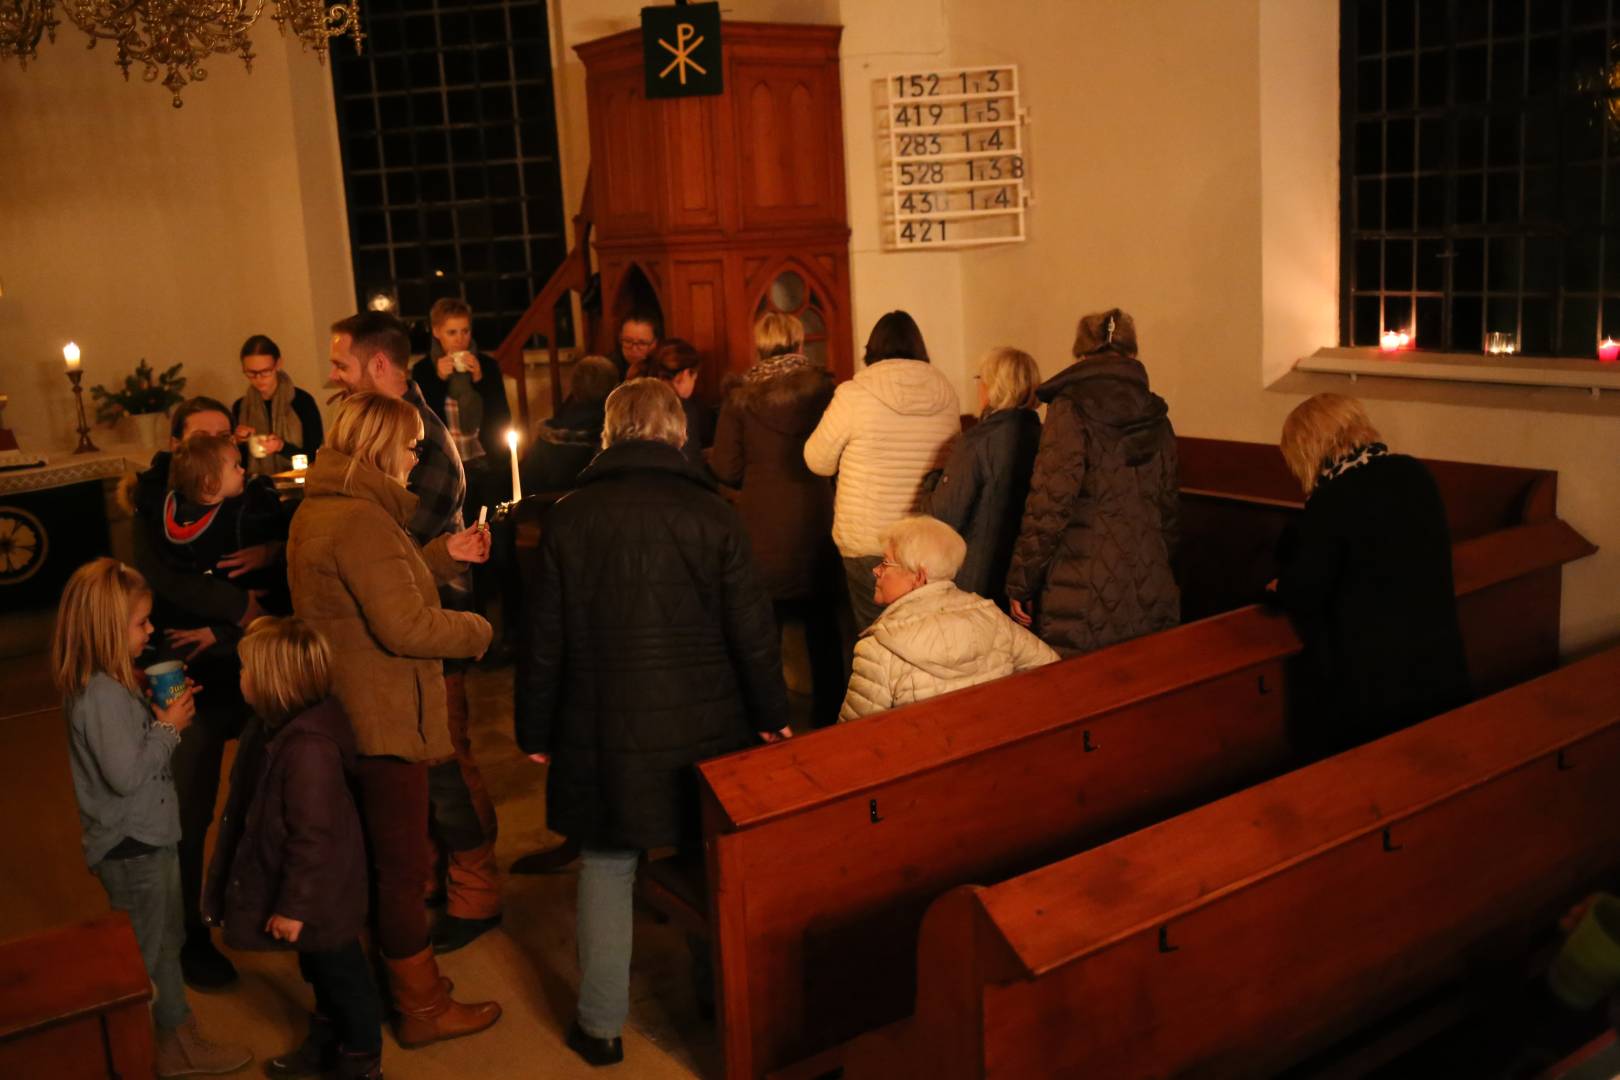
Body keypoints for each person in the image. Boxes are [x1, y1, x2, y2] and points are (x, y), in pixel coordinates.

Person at [516, 378, 790, 1068]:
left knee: (607, 863)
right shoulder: (714, 514)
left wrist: (536, 730)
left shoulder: (572, 517)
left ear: (610, 436)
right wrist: (772, 716)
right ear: (676, 435)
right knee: (707, 856)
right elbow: (752, 633)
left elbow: (542, 639)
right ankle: (714, 995)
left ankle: (600, 1025)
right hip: (708, 723)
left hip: (602, 720)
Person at [287, 391, 502, 1047]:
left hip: (346, 713)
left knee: (371, 865)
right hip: (384, 722)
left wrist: (442, 557)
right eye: (411, 445)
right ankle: (422, 1008)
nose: (417, 457)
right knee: (402, 871)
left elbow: (370, 587)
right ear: (381, 446)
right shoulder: (361, 522)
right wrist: (481, 630)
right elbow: (404, 623)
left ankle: (372, 998)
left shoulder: (327, 509)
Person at [327, 311, 504, 955]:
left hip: (432, 626)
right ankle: (430, 878)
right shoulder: (373, 431)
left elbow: (395, 551)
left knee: (445, 761)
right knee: (413, 764)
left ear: (379, 367)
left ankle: (476, 890)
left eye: (341, 363)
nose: (333, 375)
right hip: (396, 622)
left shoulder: (423, 440)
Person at [51, 558, 253, 1078]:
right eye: (141, 623)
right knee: (146, 955)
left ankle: (175, 1039)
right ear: (105, 630)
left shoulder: (109, 685)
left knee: (166, 944)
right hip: (131, 844)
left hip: (146, 837)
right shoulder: (98, 696)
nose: (151, 630)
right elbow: (126, 774)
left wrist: (155, 708)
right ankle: (141, 1050)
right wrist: (168, 728)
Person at [128, 395, 281, 991]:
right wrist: (239, 608)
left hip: (248, 662)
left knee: (272, 791)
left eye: (228, 437)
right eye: (205, 438)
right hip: (188, 668)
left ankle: (266, 907)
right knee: (186, 806)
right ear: (179, 448)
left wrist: (272, 554)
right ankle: (188, 931)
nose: (223, 446)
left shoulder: (249, 501)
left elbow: (283, 576)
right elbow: (165, 579)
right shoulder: (152, 500)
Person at [203, 616, 382, 1080]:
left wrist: (294, 908)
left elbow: (314, 839)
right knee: (320, 970)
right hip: (307, 890)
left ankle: (360, 1061)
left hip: (323, 895)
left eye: (245, 670)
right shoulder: (274, 728)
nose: (238, 677)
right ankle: (327, 1038)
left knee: (344, 975)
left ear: (272, 682)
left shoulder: (308, 751)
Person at [1268, 394, 1471, 757]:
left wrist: (1279, 586)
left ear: (1309, 448)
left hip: (1376, 682)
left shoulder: (1333, 500)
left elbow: (1307, 591)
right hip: (1438, 664)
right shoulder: (1414, 474)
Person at [1005, 309, 1180, 657]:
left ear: (1082, 355)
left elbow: (1049, 505)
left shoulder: (1070, 408)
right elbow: (1169, 511)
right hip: (1150, 580)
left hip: (1081, 583)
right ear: (1132, 354)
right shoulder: (1156, 413)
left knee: (1082, 693)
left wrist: (1021, 582)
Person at [709, 312, 842, 727]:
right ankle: (828, 717)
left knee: (763, 633)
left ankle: (768, 721)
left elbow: (727, 467)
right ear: (800, 345)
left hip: (761, 528)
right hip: (815, 522)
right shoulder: (825, 391)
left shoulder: (740, 398)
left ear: (760, 347)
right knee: (823, 630)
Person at [804, 310, 960, 632]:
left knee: (872, 637)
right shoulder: (945, 392)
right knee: (922, 635)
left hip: (868, 540)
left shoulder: (854, 395)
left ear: (872, 348)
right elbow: (952, 459)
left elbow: (817, 460)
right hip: (924, 543)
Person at [840, 517, 1059, 722]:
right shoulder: (992, 618)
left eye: (886, 563)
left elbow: (853, 739)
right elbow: (1052, 670)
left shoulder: (878, 651)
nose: (876, 570)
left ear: (918, 577)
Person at [411, 297, 519, 666]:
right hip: (448, 476)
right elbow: (425, 425)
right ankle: (470, 639)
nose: (459, 340)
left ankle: (508, 638)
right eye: (452, 332)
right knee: (462, 553)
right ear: (437, 333)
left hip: (484, 467)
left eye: (465, 331)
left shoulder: (485, 366)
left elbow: (501, 420)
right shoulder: (424, 372)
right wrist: (439, 383)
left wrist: (481, 382)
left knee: (498, 551)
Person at [921, 347, 1043, 607]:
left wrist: (933, 480)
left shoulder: (978, 442)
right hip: (1026, 580)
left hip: (979, 580)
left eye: (981, 380)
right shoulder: (1046, 437)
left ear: (992, 388)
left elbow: (943, 517)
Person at [520, 354, 619, 494]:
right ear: (614, 389)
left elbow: (529, 483)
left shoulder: (551, 432)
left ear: (574, 389)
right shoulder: (612, 432)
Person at [232, 334, 324, 476]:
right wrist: (238, 441)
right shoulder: (241, 407)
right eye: (251, 373)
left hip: (299, 484)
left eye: (265, 372)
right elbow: (238, 463)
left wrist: (282, 447)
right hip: (257, 485)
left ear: (278, 364)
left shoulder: (301, 401)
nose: (258, 379)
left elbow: (316, 454)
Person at [634, 338, 713, 463]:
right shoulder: (684, 409)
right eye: (695, 375)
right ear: (684, 375)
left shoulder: (630, 399)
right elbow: (689, 462)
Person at [609, 309, 660, 382]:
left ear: (655, 343)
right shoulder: (610, 368)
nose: (634, 349)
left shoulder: (662, 371)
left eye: (642, 343)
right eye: (628, 341)